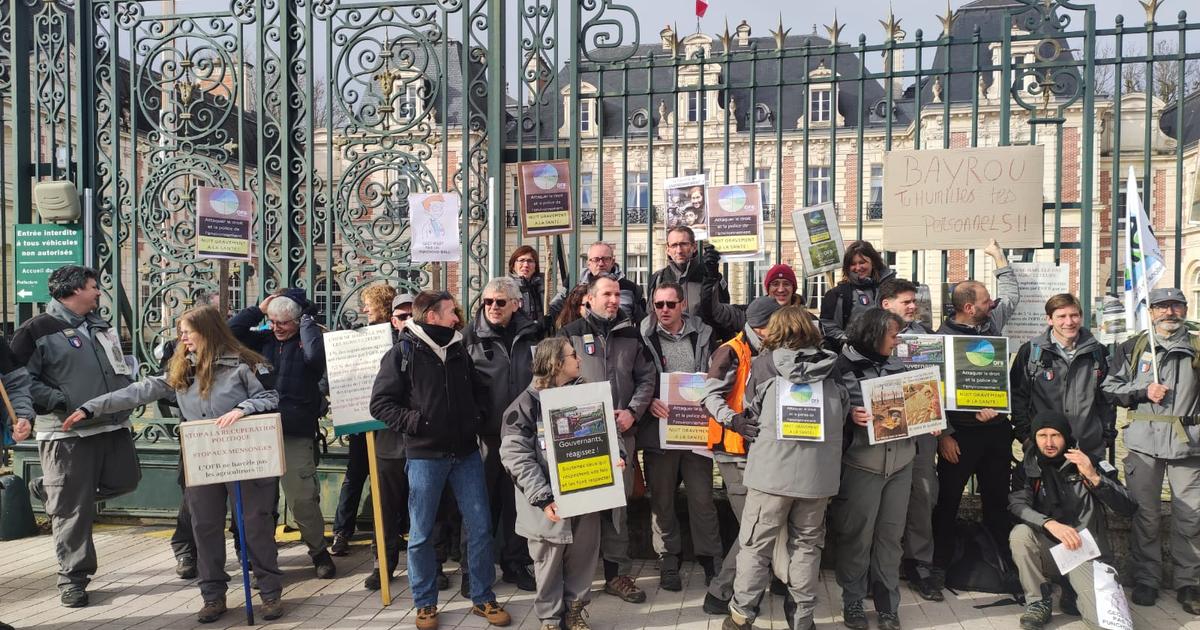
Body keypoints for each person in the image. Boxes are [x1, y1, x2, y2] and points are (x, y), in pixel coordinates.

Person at [62, 306, 283, 623]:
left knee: (254, 524)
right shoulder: (183, 369)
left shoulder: (247, 363)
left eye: (187, 332)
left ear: (207, 332)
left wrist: (244, 408)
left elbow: (272, 396)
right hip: (203, 457)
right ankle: (213, 596)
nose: (182, 338)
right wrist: (91, 408)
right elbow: (139, 391)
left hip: (244, 455)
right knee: (204, 527)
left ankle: (270, 593)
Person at [370, 291, 511, 630]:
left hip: (465, 454)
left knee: (479, 528)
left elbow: (480, 391)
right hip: (425, 457)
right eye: (450, 311)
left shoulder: (458, 348)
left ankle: (482, 597)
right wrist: (417, 424)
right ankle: (425, 603)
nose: (456, 317)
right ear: (431, 316)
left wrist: (475, 418)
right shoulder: (402, 352)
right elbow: (381, 404)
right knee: (420, 533)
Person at [11, 265, 141, 608]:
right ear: (73, 291)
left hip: (111, 424)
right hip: (66, 433)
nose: (98, 292)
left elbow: (116, 364)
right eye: (93, 286)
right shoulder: (35, 330)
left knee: (128, 480)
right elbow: (21, 379)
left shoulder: (99, 323)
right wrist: (61, 401)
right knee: (74, 511)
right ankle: (73, 578)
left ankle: (49, 490)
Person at [723, 306, 849, 630]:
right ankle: (803, 618)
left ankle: (740, 616)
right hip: (817, 477)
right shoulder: (832, 366)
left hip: (770, 474)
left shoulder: (764, 364)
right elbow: (844, 412)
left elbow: (750, 410)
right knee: (807, 546)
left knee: (755, 546)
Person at [501, 337, 625, 630]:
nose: (579, 360)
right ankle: (549, 620)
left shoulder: (586, 394)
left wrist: (617, 456)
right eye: (573, 356)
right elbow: (514, 455)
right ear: (557, 364)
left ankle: (575, 612)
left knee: (583, 562)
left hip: (587, 497)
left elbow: (610, 432)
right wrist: (543, 498)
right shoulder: (525, 404)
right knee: (548, 566)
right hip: (548, 507)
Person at [558, 276, 656, 603]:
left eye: (617, 294)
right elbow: (555, 380)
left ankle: (617, 574)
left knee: (618, 506)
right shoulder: (570, 334)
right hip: (583, 435)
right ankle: (574, 577)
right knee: (581, 506)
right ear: (590, 298)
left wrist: (633, 412)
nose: (614, 299)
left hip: (622, 434)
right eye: (607, 294)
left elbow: (646, 378)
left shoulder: (631, 334)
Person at [1102, 287, 1200, 612]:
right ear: (1151, 310)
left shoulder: (1197, 345)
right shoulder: (1133, 346)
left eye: (1175, 306)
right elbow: (1110, 388)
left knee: (1190, 518)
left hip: (1189, 444)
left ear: (1184, 309)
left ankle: (1189, 584)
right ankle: (1147, 578)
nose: (1169, 312)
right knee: (1145, 516)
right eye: (1162, 306)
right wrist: (1144, 391)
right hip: (1143, 444)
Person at [229, 291, 337, 579]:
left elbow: (316, 358)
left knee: (302, 498)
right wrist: (258, 309)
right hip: (260, 430)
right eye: (272, 321)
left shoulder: (308, 340)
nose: (276, 328)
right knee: (260, 502)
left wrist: (307, 323)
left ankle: (318, 552)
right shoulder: (262, 340)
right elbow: (231, 332)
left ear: (297, 321)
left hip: (295, 430)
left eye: (283, 323)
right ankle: (262, 555)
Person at [931, 239, 1020, 570]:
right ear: (969, 307)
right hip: (960, 438)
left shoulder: (991, 326)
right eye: (985, 300)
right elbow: (930, 393)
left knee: (998, 502)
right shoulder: (938, 339)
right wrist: (943, 434)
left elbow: (1011, 295)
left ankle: (1004, 566)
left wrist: (999, 256)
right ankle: (939, 567)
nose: (992, 302)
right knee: (947, 503)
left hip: (996, 432)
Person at [1008, 412, 1136, 630]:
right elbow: (1018, 506)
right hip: (1049, 550)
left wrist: (1094, 476)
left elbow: (1128, 507)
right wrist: (1049, 523)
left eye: (1055, 435)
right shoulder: (1027, 467)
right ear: (1034, 437)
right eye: (1042, 435)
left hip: (1083, 552)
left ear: (1066, 436)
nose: (1048, 442)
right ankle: (1038, 601)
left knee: (1107, 625)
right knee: (1020, 534)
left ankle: (1072, 592)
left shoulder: (1090, 462)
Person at [832, 308, 918, 630]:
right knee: (856, 536)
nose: (897, 342)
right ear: (873, 334)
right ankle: (853, 600)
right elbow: (828, 411)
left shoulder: (897, 364)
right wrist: (848, 414)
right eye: (893, 335)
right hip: (862, 464)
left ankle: (887, 605)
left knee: (890, 539)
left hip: (900, 464)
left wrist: (929, 420)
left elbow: (913, 406)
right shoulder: (841, 366)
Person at [701, 296, 783, 615]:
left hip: (755, 451)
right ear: (763, 326)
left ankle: (740, 588)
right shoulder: (731, 350)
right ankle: (721, 592)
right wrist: (732, 419)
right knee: (754, 527)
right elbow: (707, 395)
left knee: (755, 525)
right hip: (733, 452)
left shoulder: (766, 349)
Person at [638, 282, 721, 591]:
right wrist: (648, 401)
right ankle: (668, 558)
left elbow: (717, 373)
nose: (664, 310)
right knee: (661, 500)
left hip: (695, 429)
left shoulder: (703, 334)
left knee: (703, 499)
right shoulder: (642, 336)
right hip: (659, 431)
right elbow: (637, 377)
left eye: (670, 304)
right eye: (658, 305)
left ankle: (711, 559)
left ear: (682, 305)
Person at [463, 277, 541, 591]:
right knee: (479, 505)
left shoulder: (533, 333)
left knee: (518, 503)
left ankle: (515, 563)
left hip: (522, 436)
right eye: (488, 302)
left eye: (500, 302)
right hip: (485, 436)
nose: (493, 307)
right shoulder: (469, 336)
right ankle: (474, 570)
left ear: (515, 304)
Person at [878, 279, 941, 601]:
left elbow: (939, 385)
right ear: (886, 304)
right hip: (884, 431)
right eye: (906, 301)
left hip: (921, 431)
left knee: (922, 495)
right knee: (880, 500)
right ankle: (877, 568)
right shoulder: (870, 336)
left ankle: (920, 565)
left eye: (914, 301)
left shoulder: (928, 338)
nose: (913, 306)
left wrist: (936, 416)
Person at [331, 285, 402, 557]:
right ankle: (341, 531)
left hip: (387, 419)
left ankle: (388, 534)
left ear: (381, 306)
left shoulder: (396, 337)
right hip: (360, 416)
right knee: (355, 475)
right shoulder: (358, 336)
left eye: (368, 305)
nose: (364, 310)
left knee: (388, 482)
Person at [1010, 293, 1114, 462]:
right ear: (1049, 319)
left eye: (1074, 315)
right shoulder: (1031, 351)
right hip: (1044, 447)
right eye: (1061, 316)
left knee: (1089, 488)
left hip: (1088, 446)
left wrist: (1106, 435)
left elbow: (1107, 398)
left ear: (1080, 317)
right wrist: (1026, 436)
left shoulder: (1098, 352)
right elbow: (1017, 397)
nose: (1069, 322)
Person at [548, 242, 646, 324]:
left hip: (621, 340)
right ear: (588, 263)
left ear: (613, 261)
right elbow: (555, 308)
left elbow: (642, 322)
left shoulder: (631, 288)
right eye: (596, 260)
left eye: (605, 259)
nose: (601, 264)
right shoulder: (575, 285)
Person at [820, 241, 896, 346]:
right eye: (853, 264)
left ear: (872, 262)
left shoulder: (889, 289)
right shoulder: (837, 294)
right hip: (852, 354)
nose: (858, 267)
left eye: (862, 262)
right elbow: (828, 326)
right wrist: (850, 342)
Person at [647, 226, 726, 320]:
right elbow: (651, 316)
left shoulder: (711, 275)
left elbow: (723, 312)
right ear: (668, 249)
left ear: (694, 247)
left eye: (684, 244)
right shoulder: (658, 278)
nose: (679, 250)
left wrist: (712, 279)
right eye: (674, 245)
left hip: (705, 333)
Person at [509, 246, 546, 328]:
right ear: (513, 265)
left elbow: (551, 307)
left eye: (530, 261)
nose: (526, 265)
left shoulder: (543, 285)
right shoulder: (506, 288)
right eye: (521, 260)